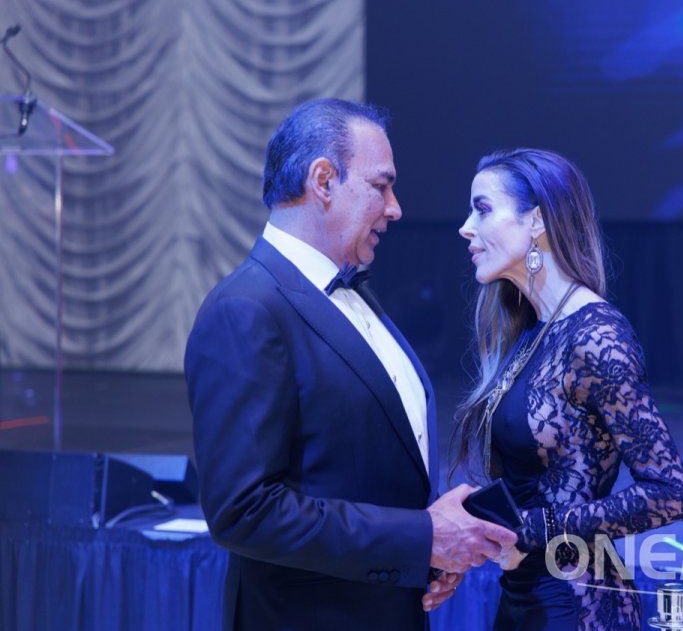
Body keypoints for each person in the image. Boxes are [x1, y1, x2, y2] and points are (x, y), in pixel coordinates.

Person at [184, 98, 516, 631]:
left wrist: (430, 549)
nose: (395, 208)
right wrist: (424, 537)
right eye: (381, 186)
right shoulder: (244, 310)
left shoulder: (349, 291)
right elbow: (244, 512)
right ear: (323, 181)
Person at [453, 148, 683, 630]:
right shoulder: (532, 329)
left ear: (536, 220)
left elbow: (670, 494)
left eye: (482, 209)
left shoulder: (596, 334)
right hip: (523, 595)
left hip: (575, 603)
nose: (465, 228)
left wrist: (539, 528)